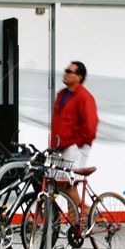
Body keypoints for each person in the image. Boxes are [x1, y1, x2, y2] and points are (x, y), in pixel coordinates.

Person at [49, 61, 98, 216]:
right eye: (66, 70)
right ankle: (75, 220)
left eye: (69, 71)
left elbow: (91, 124)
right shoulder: (62, 94)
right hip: (60, 145)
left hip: (74, 145)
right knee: (60, 184)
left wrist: (79, 142)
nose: (65, 73)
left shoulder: (84, 96)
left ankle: (87, 212)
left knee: (68, 183)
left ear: (79, 76)